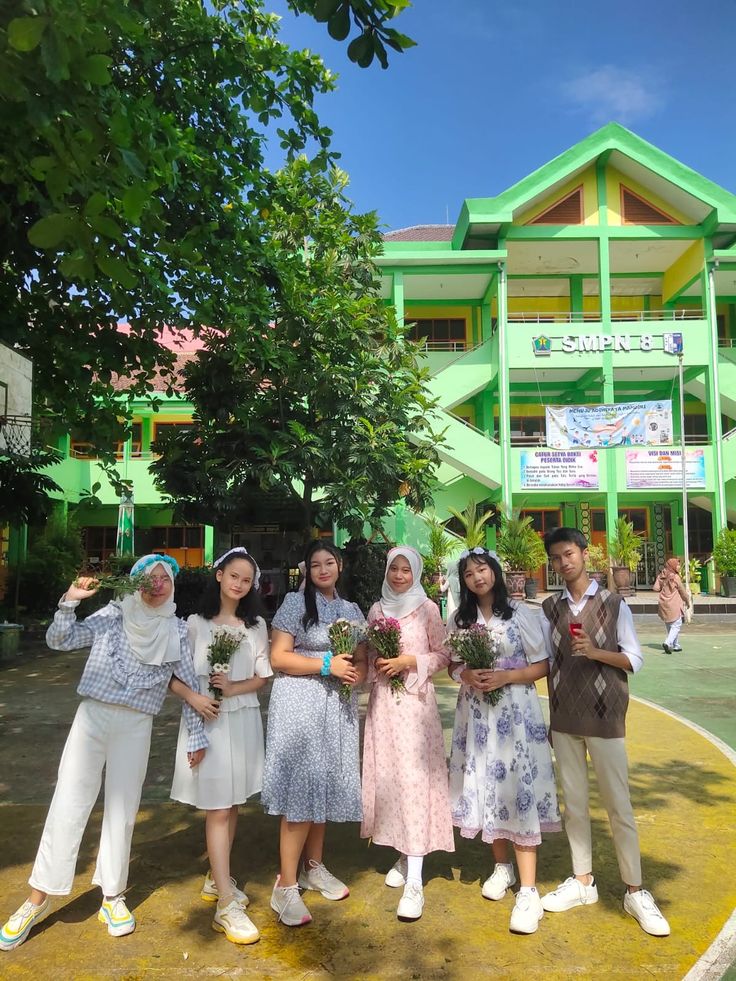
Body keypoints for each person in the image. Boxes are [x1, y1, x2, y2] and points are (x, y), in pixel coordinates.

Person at [0, 555, 207, 952]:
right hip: (93, 715)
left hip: (136, 725)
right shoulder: (114, 614)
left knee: (123, 809)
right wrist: (70, 601)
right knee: (68, 802)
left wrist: (197, 738)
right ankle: (37, 898)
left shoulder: (176, 630)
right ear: (134, 582)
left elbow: (191, 686)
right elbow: (61, 641)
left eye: (166, 578)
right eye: (150, 577)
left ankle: (112, 896)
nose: (158, 584)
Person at [540, 527, 670, 937]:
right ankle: (583, 881)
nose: (564, 563)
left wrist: (596, 653)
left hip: (606, 717)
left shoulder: (614, 605)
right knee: (573, 805)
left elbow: (635, 659)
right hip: (564, 720)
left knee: (619, 806)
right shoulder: (549, 608)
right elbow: (548, 662)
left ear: (583, 553)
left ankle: (635, 890)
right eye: (557, 558)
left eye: (569, 554)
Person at [447, 547, 560, 935]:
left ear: (494, 570)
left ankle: (529, 890)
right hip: (477, 715)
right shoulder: (460, 619)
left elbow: (543, 665)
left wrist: (505, 677)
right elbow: (452, 663)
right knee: (486, 784)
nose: (477, 578)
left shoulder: (521, 614)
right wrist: (465, 675)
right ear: (462, 583)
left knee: (517, 788)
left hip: (515, 713)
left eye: (482, 570)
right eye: (469, 574)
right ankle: (501, 866)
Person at [262, 541, 367, 927]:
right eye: (315, 564)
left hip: (335, 706)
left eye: (330, 562)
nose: (323, 569)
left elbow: (358, 659)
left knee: (321, 785)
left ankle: (313, 867)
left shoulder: (350, 610)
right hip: (300, 703)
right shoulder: (295, 603)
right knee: (301, 791)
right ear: (306, 569)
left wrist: (356, 670)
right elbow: (279, 658)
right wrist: (327, 664)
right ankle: (285, 886)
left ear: (340, 566)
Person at [170, 547, 271, 946]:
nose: (239, 584)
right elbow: (172, 675)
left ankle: (218, 877)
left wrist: (233, 687)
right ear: (219, 576)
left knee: (232, 805)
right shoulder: (193, 624)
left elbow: (263, 677)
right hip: (207, 723)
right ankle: (226, 905)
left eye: (246, 580)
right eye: (234, 576)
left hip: (243, 719)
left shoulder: (255, 625)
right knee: (216, 809)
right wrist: (195, 698)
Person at [361, 546, 454, 922]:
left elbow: (444, 655)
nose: (399, 575)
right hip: (384, 706)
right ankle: (404, 850)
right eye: (394, 569)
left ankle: (415, 879)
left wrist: (409, 662)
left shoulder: (428, 608)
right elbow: (368, 657)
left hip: (415, 708)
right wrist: (376, 664)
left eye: (406, 569)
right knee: (393, 782)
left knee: (416, 782)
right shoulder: (376, 610)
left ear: (415, 573)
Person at [652, 558, 689, 654]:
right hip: (674, 604)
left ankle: (676, 645)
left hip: (663, 603)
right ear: (672, 566)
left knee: (669, 624)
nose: (679, 567)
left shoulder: (662, 575)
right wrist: (687, 601)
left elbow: (655, 588)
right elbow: (682, 591)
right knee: (677, 624)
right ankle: (668, 643)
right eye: (677, 565)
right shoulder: (675, 577)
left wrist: (660, 579)